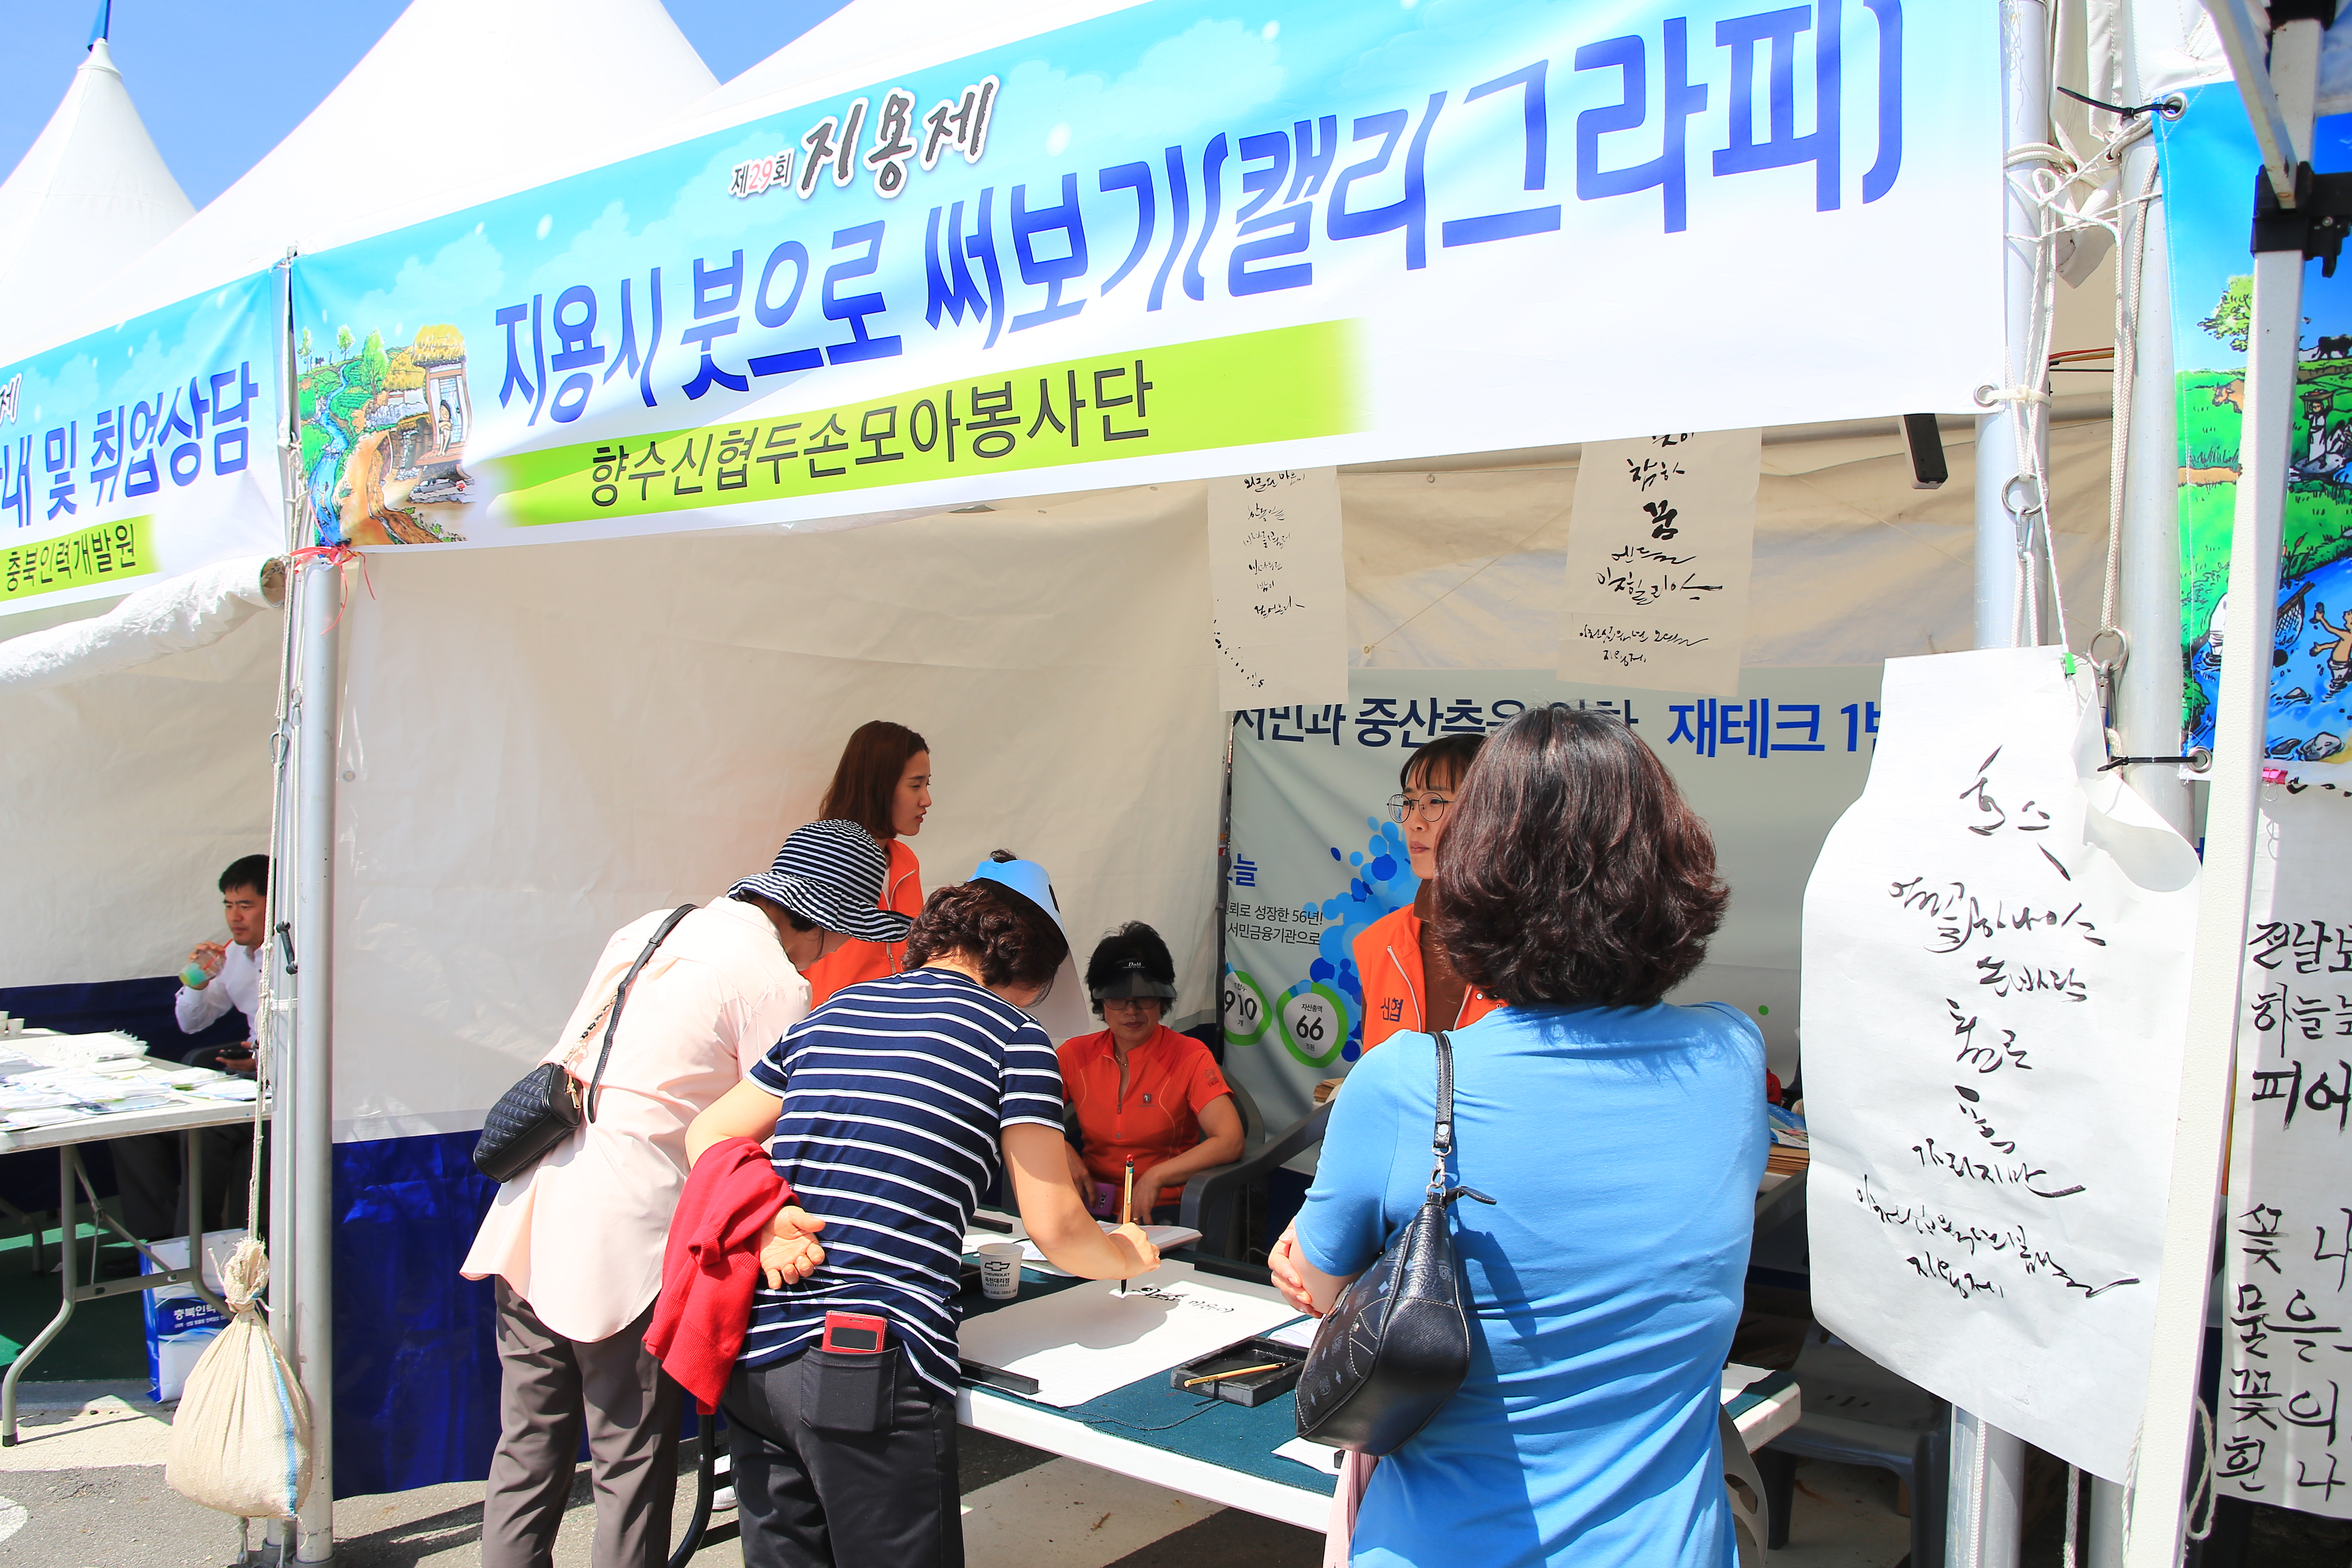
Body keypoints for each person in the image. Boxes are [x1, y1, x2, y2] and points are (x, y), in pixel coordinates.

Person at [1270, 705, 1765, 1568]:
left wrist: (1312, 1253)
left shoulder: (1404, 1083)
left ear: (1477, 867)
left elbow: (1314, 1282)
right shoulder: (1732, 1055)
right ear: (1671, 866)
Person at [685, 854, 1161, 1568]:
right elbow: (1057, 1226)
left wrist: (768, 1216)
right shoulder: (1014, 1036)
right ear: (1030, 969)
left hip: (757, 1350)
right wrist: (1125, 1251)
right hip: (865, 1360)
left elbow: (709, 1134)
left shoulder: (833, 1011)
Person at [463, 821, 905, 1568]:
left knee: (527, 1446)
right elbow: (774, 1130)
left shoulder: (651, 927)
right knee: (631, 1464)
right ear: (813, 916)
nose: (832, 951)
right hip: (627, 1237)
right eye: (838, 932)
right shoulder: (773, 982)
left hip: (534, 1207)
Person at [116, 855, 272, 1242]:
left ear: (275, 903)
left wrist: (264, 1061)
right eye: (228, 905)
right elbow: (191, 1023)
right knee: (134, 1126)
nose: (235, 917)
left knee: (208, 1131)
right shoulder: (231, 954)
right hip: (247, 1076)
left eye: (246, 906)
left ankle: (198, 1250)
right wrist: (197, 984)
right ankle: (159, 1245)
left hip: (282, 1085)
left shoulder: (299, 957)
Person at [1059, 923, 1243, 1222]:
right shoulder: (1074, 1054)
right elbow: (1020, 1113)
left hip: (1163, 1209)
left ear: (1163, 1001)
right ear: (1101, 1003)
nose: (1132, 1011)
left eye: (1145, 998)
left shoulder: (1190, 1056)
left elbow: (1230, 1141)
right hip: (1090, 1205)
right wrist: (1061, 1149)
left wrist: (1157, 1176)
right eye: (1118, 999)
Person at [1353, 733, 1503, 1054]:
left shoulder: (1541, 942)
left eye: (1435, 802)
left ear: (1493, 811)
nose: (1414, 823)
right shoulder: (1380, 943)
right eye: (1409, 803)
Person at [801, 721, 931, 1006]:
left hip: (903, 1016)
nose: (927, 800)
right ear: (878, 787)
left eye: (927, 785)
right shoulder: (821, 859)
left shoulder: (906, 860)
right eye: (915, 785)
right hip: (836, 1022)